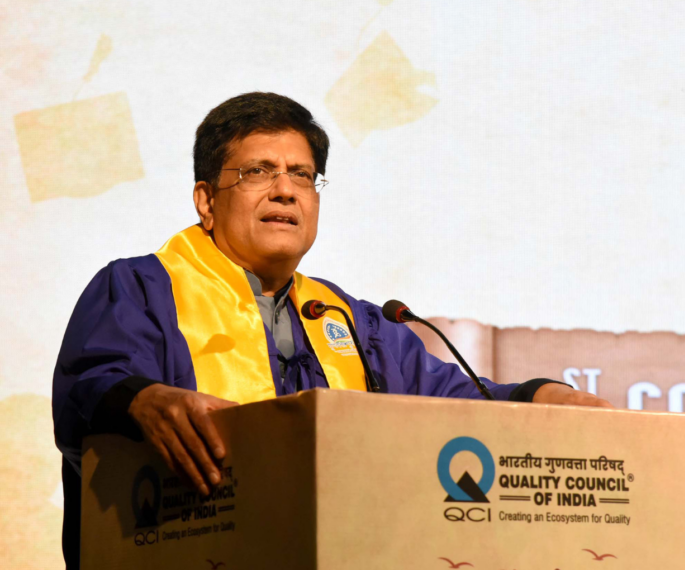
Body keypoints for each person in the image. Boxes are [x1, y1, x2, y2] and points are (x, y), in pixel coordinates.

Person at [52, 92, 611, 568]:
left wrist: (538, 396)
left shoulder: (350, 320)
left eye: (301, 174)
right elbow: (90, 385)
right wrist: (142, 399)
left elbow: (452, 402)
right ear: (206, 200)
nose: (285, 190)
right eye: (257, 172)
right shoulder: (141, 289)